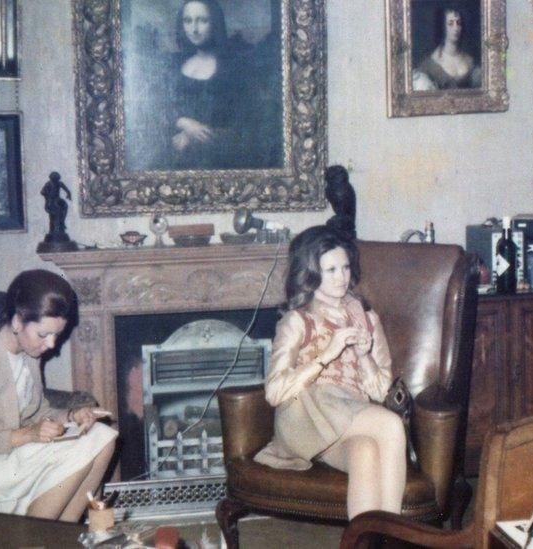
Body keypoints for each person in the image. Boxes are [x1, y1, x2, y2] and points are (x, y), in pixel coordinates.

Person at [0, 270, 117, 521]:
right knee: (83, 449)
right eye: (43, 334)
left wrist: (73, 415)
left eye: (56, 335)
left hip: (14, 454)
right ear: (18, 322)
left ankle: (61, 534)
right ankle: (31, 536)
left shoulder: (29, 355)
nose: (51, 345)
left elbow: (37, 413)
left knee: (104, 437)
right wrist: (27, 435)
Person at [253, 226, 405, 518]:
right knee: (391, 426)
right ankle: (394, 540)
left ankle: (371, 541)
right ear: (311, 273)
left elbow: (381, 391)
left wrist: (364, 358)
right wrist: (325, 356)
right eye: (331, 270)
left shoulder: (367, 317)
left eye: (345, 267)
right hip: (306, 416)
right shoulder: (297, 321)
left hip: (350, 414)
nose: (342, 278)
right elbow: (274, 392)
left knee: (365, 452)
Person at [167, 0, 256, 169]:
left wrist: (194, 136)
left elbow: (243, 127)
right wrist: (184, 123)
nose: (194, 29)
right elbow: (159, 112)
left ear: (215, 23)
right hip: (174, 157)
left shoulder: (232, 68)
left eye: (202, 20)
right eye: (188, 21)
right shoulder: (174, 64)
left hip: (217, 160)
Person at [412, 5, 482, 91]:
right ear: (443, 27)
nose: (456, 28)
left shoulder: (470, 60)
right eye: (450, 23)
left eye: (458, 23)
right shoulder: (431, 63)